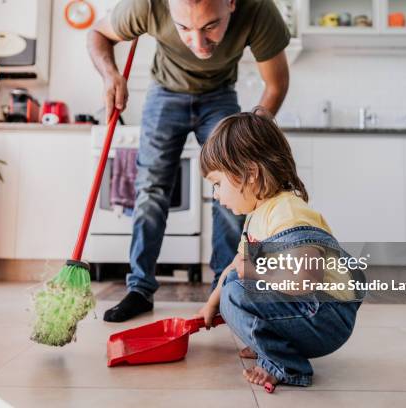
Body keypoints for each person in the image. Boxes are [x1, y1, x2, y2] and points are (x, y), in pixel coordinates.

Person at [87, 0, 292, 322]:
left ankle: (224, 293)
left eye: (210, 26)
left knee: (234, 189)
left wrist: (250, 130)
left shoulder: (258, 9)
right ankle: (139, 288)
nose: (198, 43)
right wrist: (110, 75)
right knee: (151, 188)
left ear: (231, 4)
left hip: (219, 95)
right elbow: (99, 33)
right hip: (164, 93)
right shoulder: (147, 5)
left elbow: (276, 84)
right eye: (184, 28)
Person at [197, 110, 365, 387]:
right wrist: (209, 306)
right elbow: (234, 266)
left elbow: (306, 279)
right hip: (308, 309)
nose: (215, 194)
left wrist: (252, 272)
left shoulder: (287, 213)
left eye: (218, 183)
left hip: (325, 314)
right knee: (231, 286)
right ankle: (270, 343)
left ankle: (284, 364)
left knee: (237, 292)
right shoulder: (257, 215)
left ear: (250, 173)